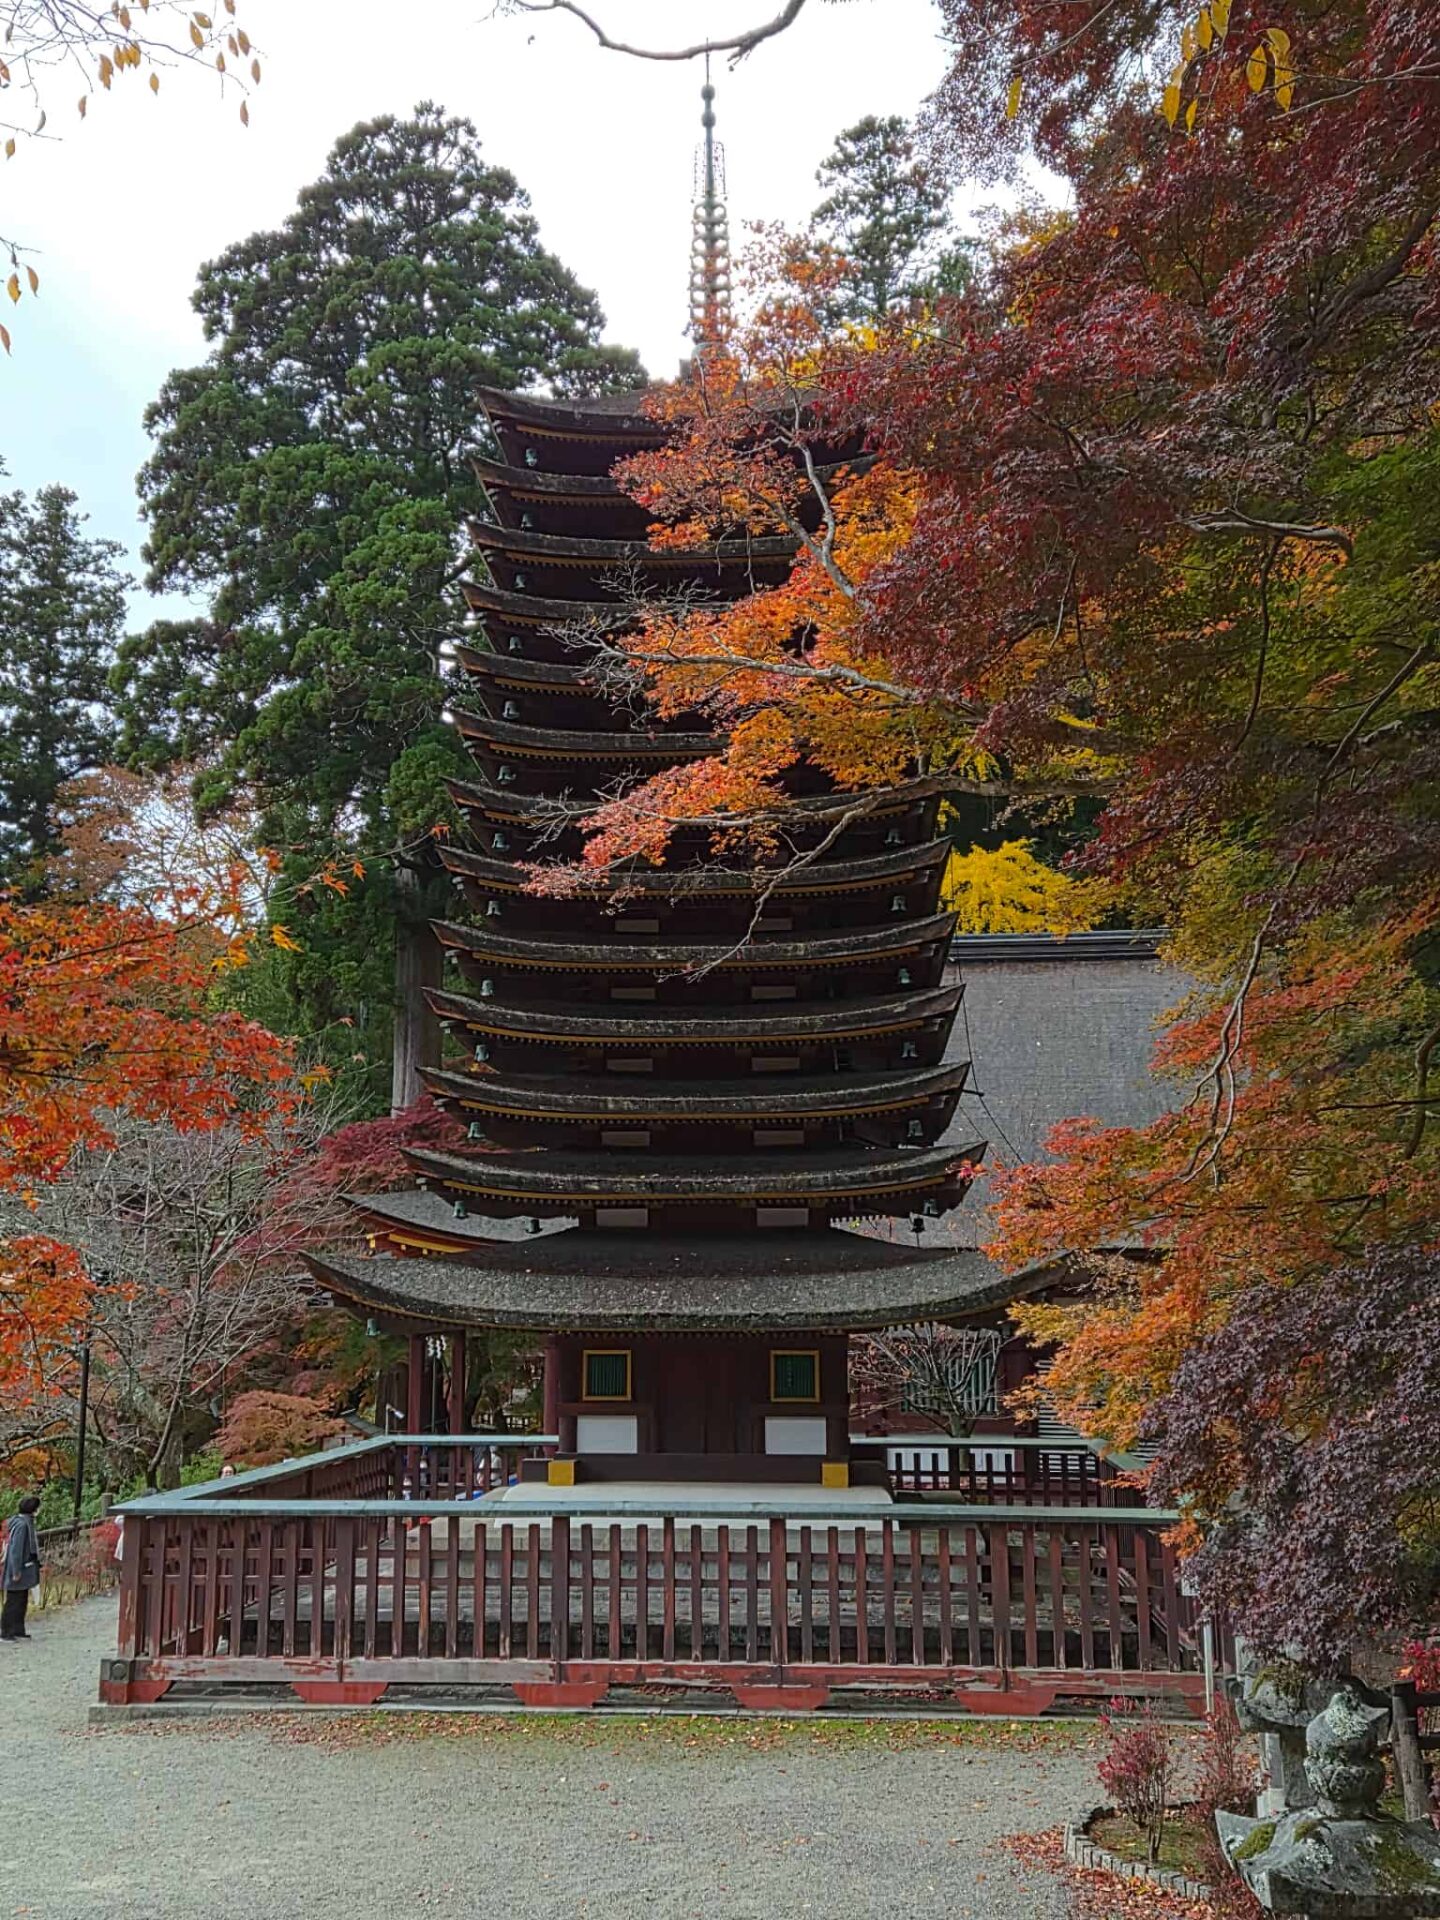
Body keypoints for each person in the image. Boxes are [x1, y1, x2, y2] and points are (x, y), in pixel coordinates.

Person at [1, 1496, 42, 1640]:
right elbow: (16, 1550)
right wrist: (16, 1570)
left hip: (25, 1567)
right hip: (19, 1568)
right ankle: (6, 1631)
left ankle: (18, 1629)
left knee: (21, 1599)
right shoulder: (22, 1525)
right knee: (13, 1601)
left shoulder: (24, 1522)